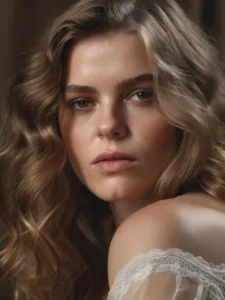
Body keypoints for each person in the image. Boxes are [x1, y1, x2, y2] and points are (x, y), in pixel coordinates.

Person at [1, 0, 225, 299]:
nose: (109, 126)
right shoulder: (96, 263)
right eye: (82, 102)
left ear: (191, 105)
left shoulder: (159, 231)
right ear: (54, 124)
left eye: (141, 95)